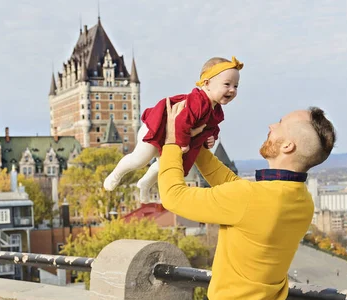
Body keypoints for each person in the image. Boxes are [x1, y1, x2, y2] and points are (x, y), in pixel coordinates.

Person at [158, 99, 336, 300]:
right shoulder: (302, 200)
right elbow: (235, 188)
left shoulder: (250, 198)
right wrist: (198, 148)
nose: (271, 126)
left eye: (279, 124)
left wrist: (170, 142)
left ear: (288, 146)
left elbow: (173, 197)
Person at [104, 56, 243, 203]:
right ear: (207, 84)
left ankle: (145, 183)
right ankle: (116, 174)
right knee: (139, 160)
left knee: (169, 165)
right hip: (157, 130)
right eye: (227, 84)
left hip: (173, 140)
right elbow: (181, 121)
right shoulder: (198, 102)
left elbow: (212, 128)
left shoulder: (216, 110)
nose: (232, 90)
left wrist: (211, 139)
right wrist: (182, 144)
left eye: (236, 86)